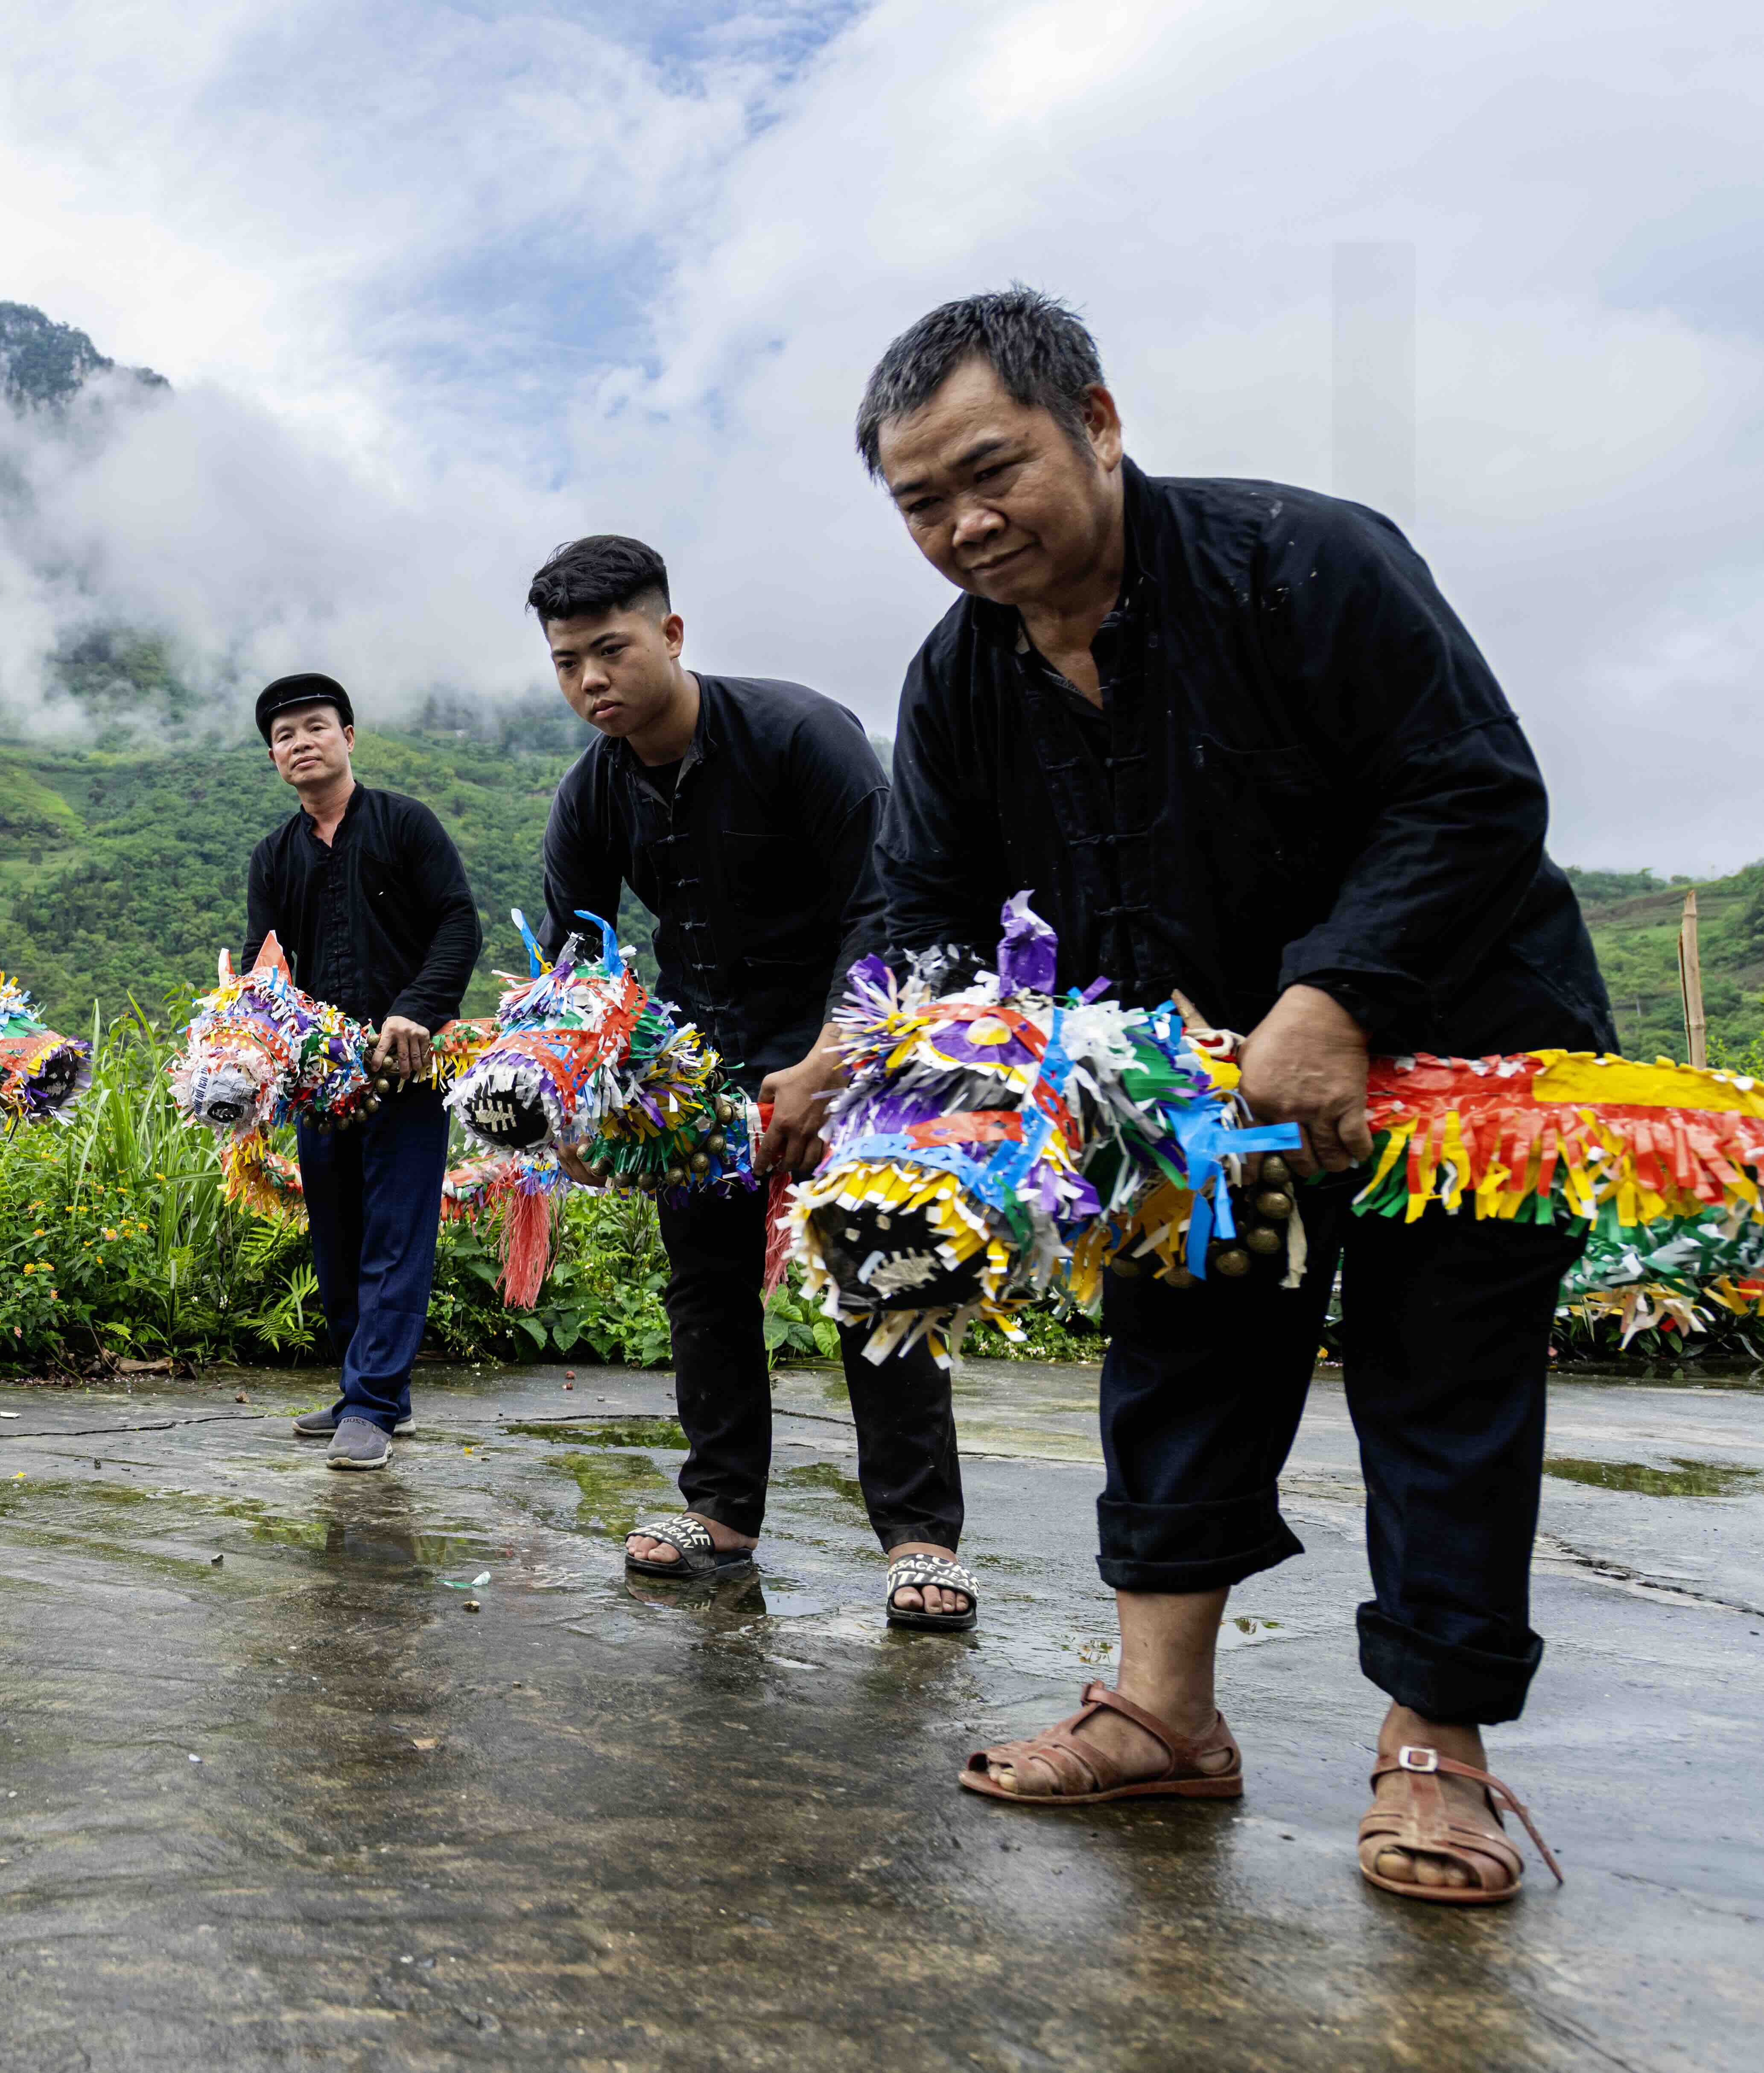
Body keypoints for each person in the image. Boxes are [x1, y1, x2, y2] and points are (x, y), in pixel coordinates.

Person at [858, 287, 1609, 1903]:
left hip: (1449, 1060)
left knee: (1440, 1383)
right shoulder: (958, 675)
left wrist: (1332, 992)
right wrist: (877, 1054)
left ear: (1099, 424)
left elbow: (1469, 789)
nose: (964, 524)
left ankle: (1436, 1747)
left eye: (992, 471)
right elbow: (919, 894)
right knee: (1186, 1353)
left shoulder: (1306, 561)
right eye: (921, 502)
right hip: (1191, 1097)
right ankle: (1162, 1713)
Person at [526, 535, 978, 1630]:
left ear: (672, 635)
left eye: (612, 650)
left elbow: (891, 907)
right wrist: (565, 1103)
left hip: (856, 1036)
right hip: (703, 1061)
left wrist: (831, 1058)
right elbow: (572, 964)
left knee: (883, 1270)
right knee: (706, 1283)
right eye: (567, 661)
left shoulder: (801, 735)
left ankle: (921, 1534)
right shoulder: (591, 792)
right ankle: (722, 1510)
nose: (592, 680)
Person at [242, 674, 483, 1471]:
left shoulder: (404, 824)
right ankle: (368, 1392)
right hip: (323, 1081)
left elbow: (458, 921)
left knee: (395, 1234)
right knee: (337, 1236)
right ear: (275, 756)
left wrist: (417, 1007)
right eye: (285, 736)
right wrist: (254, 1045)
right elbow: (263, 965)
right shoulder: (274, 855)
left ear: (349, 736)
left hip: (410, 1070)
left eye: (316, 727)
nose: (301, 743)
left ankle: (374, 1405)